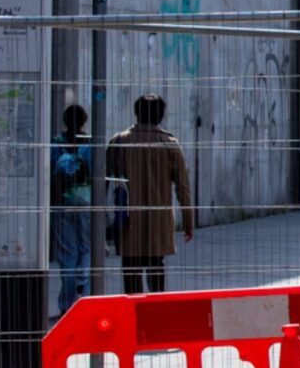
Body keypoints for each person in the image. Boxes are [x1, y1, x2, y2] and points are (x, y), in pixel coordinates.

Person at [109, 94, 194, 294]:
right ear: (161, 115)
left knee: (130, 266)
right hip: (159, 218)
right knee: (156, 264)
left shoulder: (119, 141)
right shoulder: (169, 143)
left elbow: (106, 180)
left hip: (128, 217)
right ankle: (156, 309)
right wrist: (189, 221)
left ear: (136, 113)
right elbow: (183, 187)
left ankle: (133, 310)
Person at [50, 105, 95, 314]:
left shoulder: (55, 144)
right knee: (86, 249)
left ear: (65, 121)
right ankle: (82, 293)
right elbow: (97, 175)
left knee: (67, 254)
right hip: (85, 203)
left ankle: (67, 305)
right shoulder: (90, 144)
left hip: (62, 203)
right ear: (84, 121)